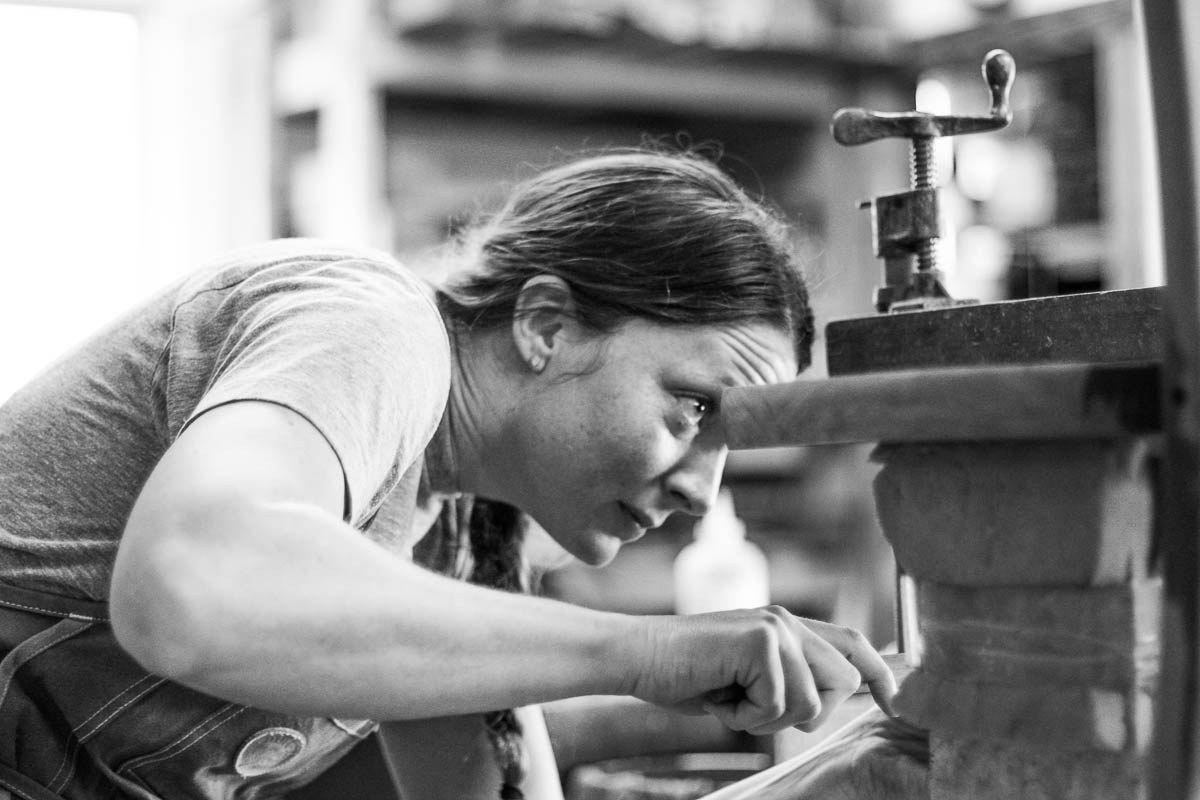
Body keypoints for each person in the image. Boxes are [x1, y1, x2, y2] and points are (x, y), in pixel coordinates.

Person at [0, 148, 904, 800]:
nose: (698, 491)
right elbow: (192, 584)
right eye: (694, 409)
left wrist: (833, 780)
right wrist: (641, 651)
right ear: (546, 324)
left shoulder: (467, 537)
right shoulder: (372, 321)